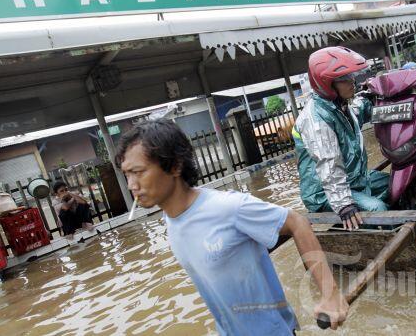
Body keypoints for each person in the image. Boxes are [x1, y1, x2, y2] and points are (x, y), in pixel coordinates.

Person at [115, 119, 348, 334]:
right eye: (127, 175)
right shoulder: (171, 219)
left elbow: (297, 222)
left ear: (175, 166)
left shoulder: (228, 207)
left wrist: (330, 293)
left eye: (138, 172)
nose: (131, 185)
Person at [292, 46, 389, 231]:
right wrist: (344, 204)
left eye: (351, 76)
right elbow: (329, 164)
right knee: (378, 208)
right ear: (326, 83)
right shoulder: (315, 118)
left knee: (395, 184)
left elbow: (360, 110)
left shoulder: (341, 107)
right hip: (323, 192)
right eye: (344, 79)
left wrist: (376, 95)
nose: (352, 82)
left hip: (353, 179)